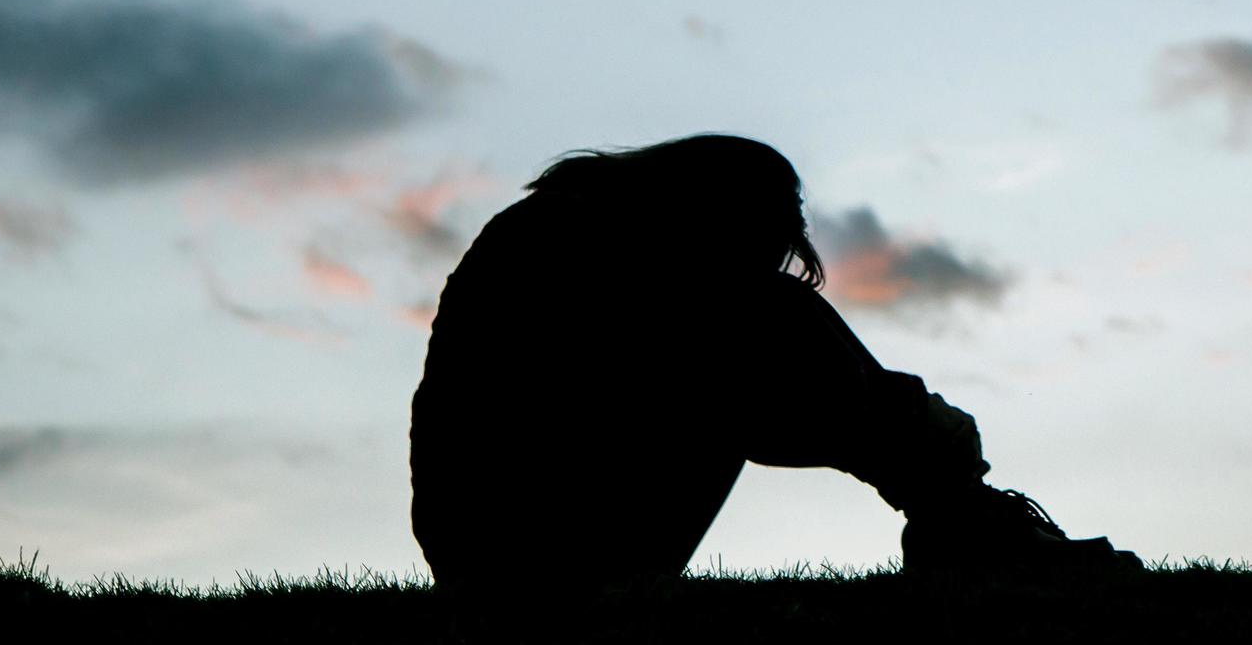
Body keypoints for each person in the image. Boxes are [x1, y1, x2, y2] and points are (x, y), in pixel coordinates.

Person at [409, 133, 1139, 587]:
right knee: (770, 311)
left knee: (767, 313)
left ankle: (960, 514)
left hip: (519, 540)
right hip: (529, 546)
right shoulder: (575, 240)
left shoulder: (572, 234)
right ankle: (965, 520)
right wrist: (922, 432)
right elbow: (759, 389)